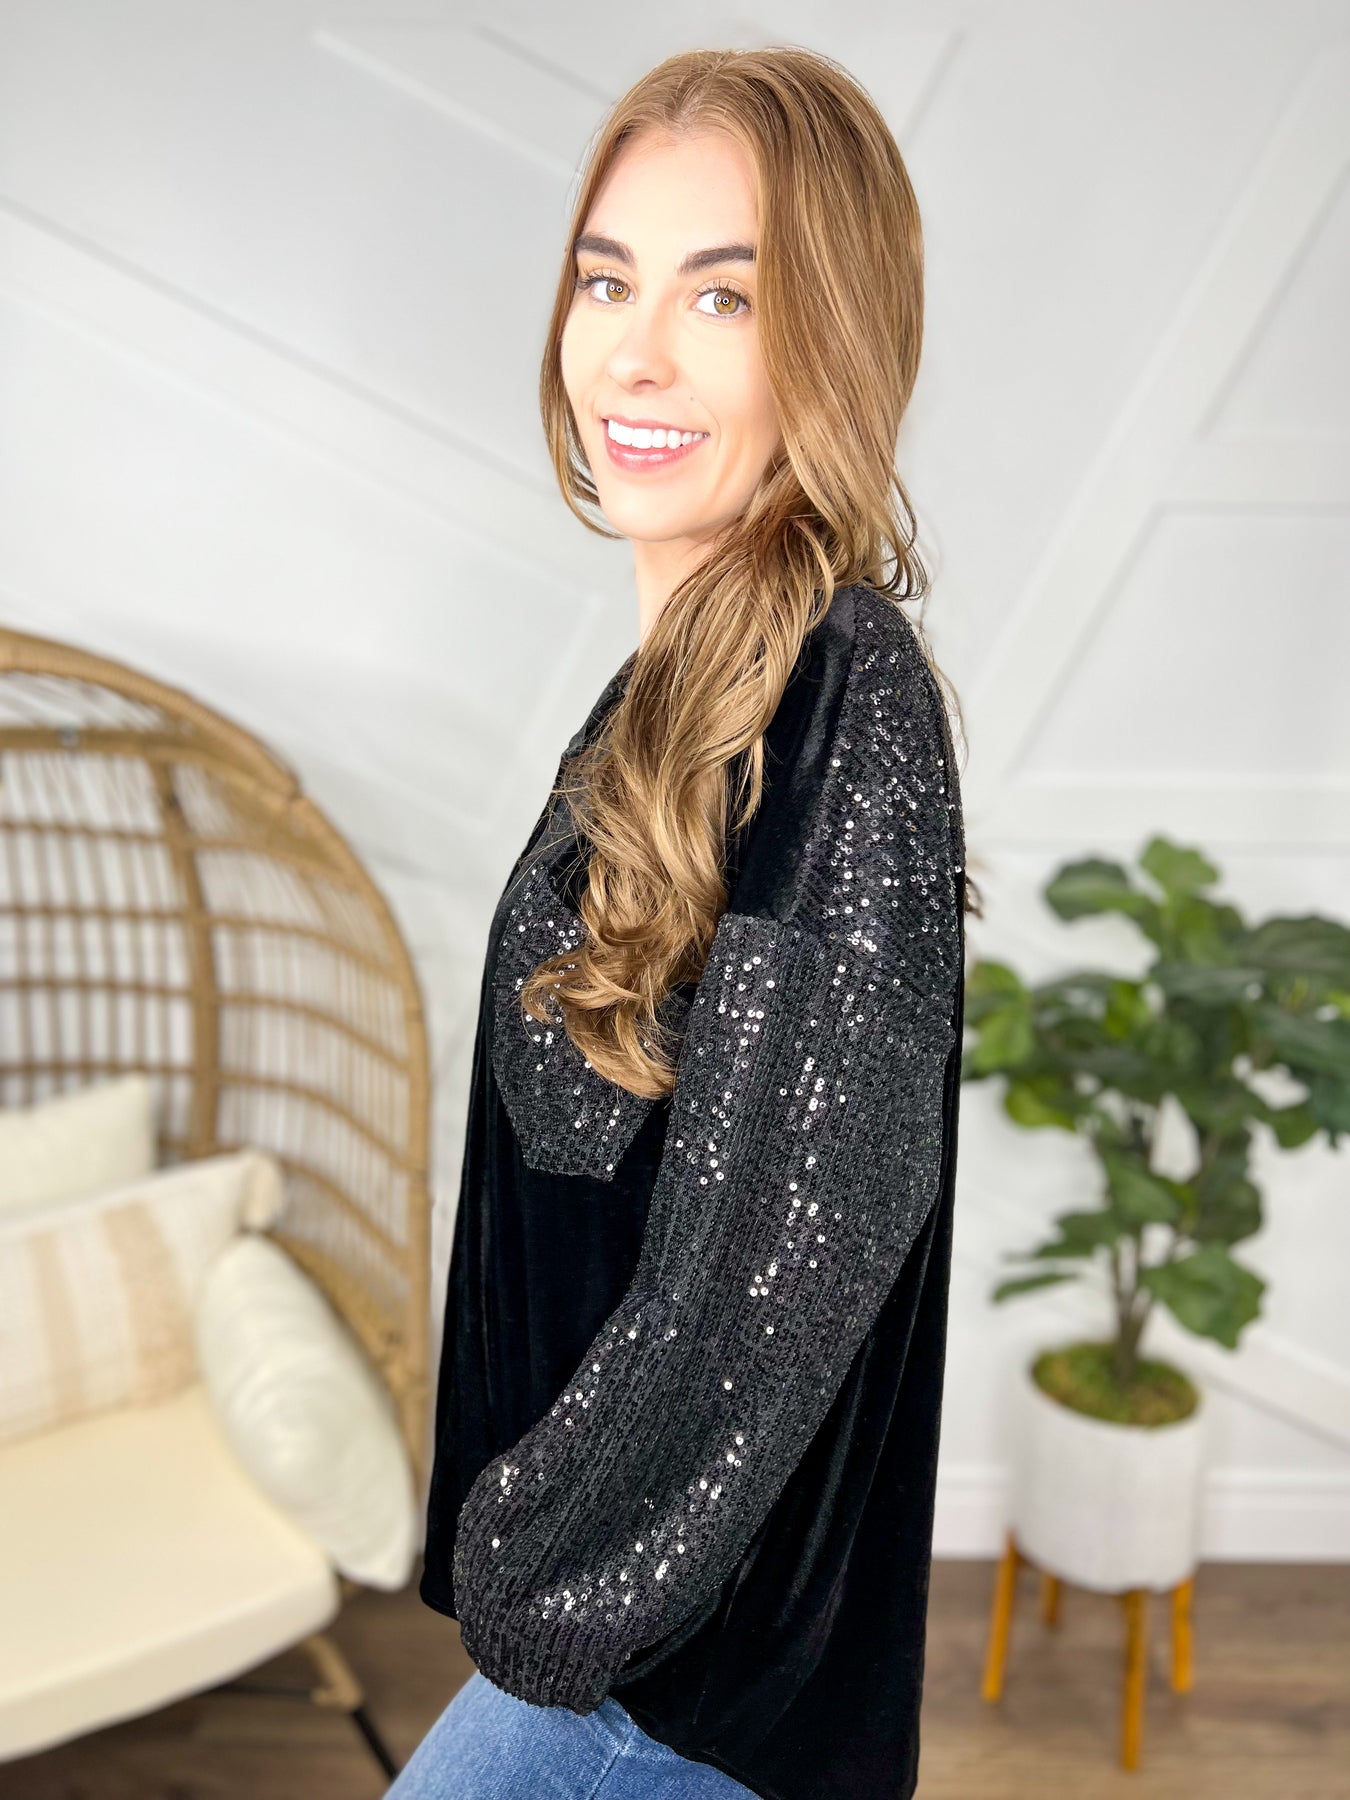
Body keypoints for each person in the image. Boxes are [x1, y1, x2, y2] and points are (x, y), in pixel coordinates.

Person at [392, 42, 976, 1800]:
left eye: (723, 297)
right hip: (613, 1639)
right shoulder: (676, 689)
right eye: (606, 280)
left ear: (832, 340)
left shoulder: (839, 695)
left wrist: (549, 1587)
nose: (633, 354)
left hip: (665, 1681)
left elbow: (785, 1263)